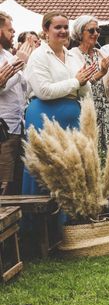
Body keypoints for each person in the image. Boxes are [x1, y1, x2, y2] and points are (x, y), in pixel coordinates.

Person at [23, 12, 96, 196]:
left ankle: (72, 218)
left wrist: (85, 84)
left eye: (65, 27)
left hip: (72, 116)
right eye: (58, 27)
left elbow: (82, 87)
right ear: (45, 30)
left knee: (72, 167)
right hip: (44, 115)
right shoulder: (38, 56)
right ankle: (43, 222)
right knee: (47, 167)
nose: (63, 31)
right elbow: (44, 91)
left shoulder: (72, 56)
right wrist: (76, 82)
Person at [69, 15, 109, 158]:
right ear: (80, 33)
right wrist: (102, 72)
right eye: (91, 30)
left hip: (106, 110)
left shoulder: (102, 54)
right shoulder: (72, 55)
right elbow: (79, 85)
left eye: (98, 30)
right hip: (86, 110)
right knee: (90, 154)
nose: (96, 33)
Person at [0, 12, 27, 194]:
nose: (14, 32)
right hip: (3, 130)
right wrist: (18, 69)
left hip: (18, 127)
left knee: (15, 183)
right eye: (9, 29)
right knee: (3, 183)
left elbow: (24, 89)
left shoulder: (9, 56)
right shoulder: (14, 60)